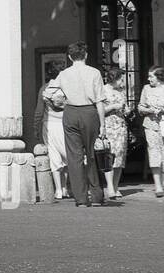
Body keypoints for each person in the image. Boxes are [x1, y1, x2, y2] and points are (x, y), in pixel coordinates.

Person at [56, 42, 107, 207]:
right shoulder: (94, 73)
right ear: (86, 55)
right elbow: (99, 101)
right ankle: (97, 195)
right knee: (92, 153)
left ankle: (81, 198)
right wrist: (103, 124)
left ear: (70, 57)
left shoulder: (63, 74)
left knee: (74, 156)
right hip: (89, 112)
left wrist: (60, 102)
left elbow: (50, 93)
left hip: (70, 111)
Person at [138, 66, 164, 196]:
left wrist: (163, 111)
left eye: (151, 76)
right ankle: (158, 186)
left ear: (159, 77)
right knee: (154, 153)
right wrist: (150, 110)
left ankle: (161, 183)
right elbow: (140, 107)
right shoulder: (146, 89)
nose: (148, 79)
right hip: (150, 125)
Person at [38, 64, 69, 201]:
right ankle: (65, 187)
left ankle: (57, 190)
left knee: (54, 155)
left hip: (49, 124)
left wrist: (35, 127)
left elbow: (39, 111)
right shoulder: (66, 88)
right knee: (67, 155)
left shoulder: (44, 89)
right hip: (65, 124)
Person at [100, 66, 130, 200]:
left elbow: (126, 107)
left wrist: (127, 110)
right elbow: (99, 110)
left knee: (119, 158)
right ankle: (110, 187)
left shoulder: (121, 92)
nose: (122, 81)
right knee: (109, 156)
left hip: (121, 127)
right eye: (121, 78)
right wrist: (112, 107)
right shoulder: (103, 90)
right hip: (109, 126)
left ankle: (116, 187)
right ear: (114, 78)